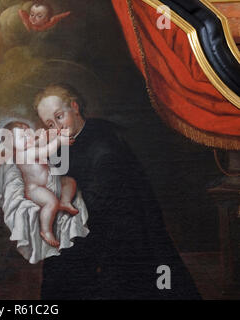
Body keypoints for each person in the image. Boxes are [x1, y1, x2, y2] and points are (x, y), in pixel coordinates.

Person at [34, 84, 201, 299]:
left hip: (119, 238)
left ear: (75, 107)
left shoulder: (105, 146)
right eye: (50, 123)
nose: (57, 127)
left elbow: (98, 205)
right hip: (85, 226)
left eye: (59, 117)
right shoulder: (64, 143)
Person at [2, 120, 78, 247]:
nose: (28, 137)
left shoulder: (28, 147)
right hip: (35, 189)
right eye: (22, 137)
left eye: (28, 133)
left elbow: (40, 143)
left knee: (69, 181)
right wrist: (59, 140)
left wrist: (47, 136)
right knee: (51, 202)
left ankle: (65, 201)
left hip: (49, 183)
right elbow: (46, 151)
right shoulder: (25, 153)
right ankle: (46, 231)